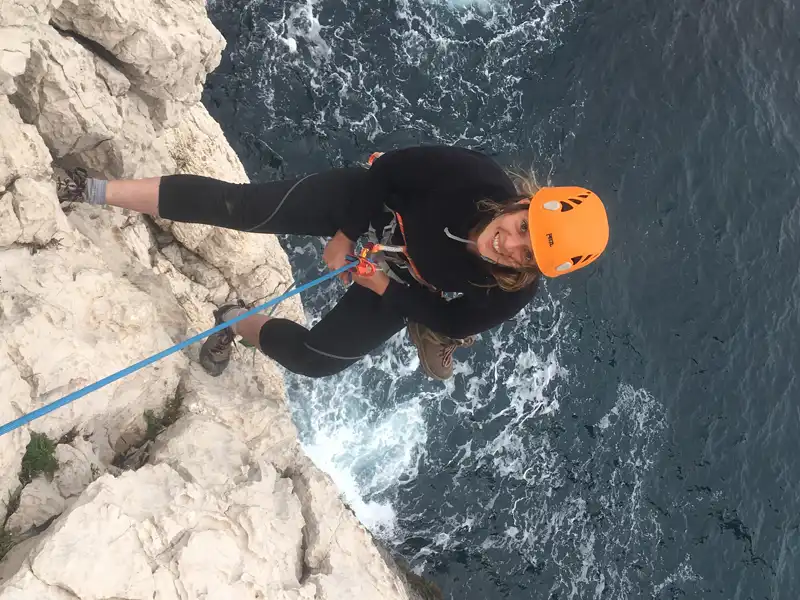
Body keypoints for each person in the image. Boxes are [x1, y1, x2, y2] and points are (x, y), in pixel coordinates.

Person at [56, 145, 609, 380]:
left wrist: (382, 288)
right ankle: (93, 189)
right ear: (522, 204)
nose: (511, 245)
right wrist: (345, 235)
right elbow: (387, 171)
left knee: (317, 359)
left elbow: (453, 316)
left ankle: (232, 320)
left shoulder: (509, 291)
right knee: (240, 208)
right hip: (372, 205)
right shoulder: (473, 178)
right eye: (523, 227)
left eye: (528, 256)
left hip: (407, 280)